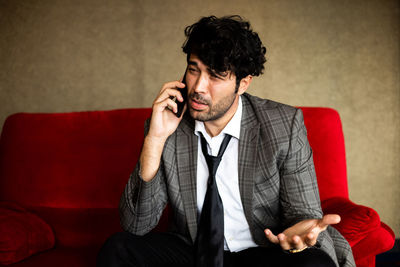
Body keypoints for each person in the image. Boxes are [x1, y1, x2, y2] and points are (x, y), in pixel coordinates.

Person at [97, 15, 355, 267]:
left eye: (216, 75)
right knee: (118, 248)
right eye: (193, 70)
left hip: (260, 251)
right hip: (193, 250)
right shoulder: (167, 124)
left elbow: (303, 214)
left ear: (243, 84)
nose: (198, 87)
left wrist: (298, 234)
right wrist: (155, 139)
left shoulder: (283, 125)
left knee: (314, 263)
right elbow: (136, 224)